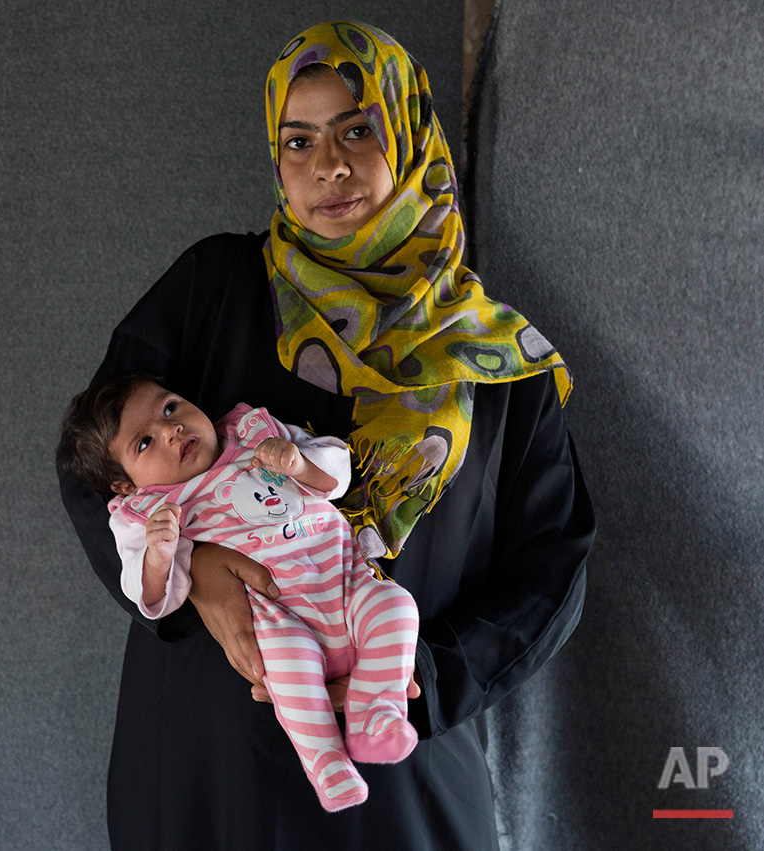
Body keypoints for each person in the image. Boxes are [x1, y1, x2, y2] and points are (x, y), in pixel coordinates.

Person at [58, 20, 596, 851]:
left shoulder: (496, 365)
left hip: (394, 781)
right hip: (207, 772)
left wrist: (425, 679)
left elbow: (552, 564)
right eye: (298, 141)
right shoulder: (216, 289)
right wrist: (192, 570)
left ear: (410, 134)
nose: (328, 166)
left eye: (357, 129)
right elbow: (93, 463)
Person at [57, 374, 422, 812]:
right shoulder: (149, 513)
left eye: (170, 407)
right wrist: (159, 554)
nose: (170, 429)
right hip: (282, 618)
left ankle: (377, 715)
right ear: (126, 486)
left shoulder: (253, 433)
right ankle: (326, 762)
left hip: (346, 585)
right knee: (286, 662)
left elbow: (337, 472)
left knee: (396, 605)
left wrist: (300, 463)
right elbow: (149, 596)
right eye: (144, 443)